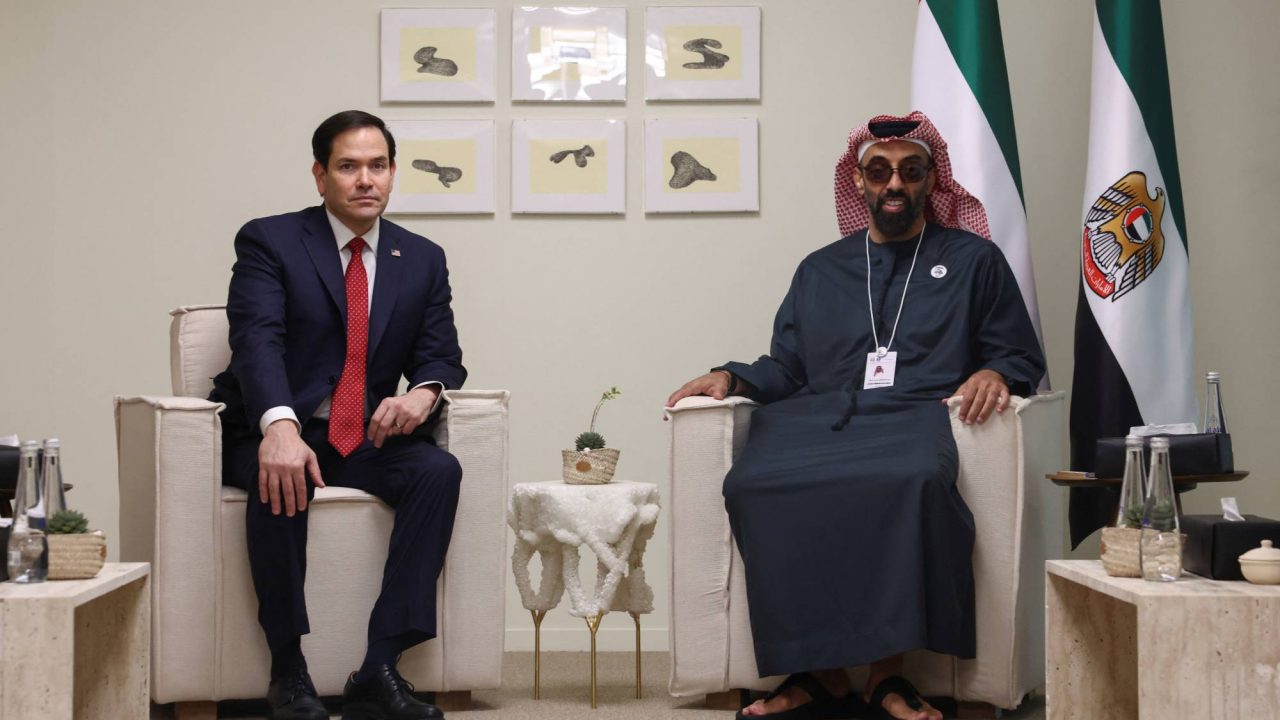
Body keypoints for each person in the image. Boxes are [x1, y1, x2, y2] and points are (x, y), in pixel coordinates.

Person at [667, 111, 1045, 720]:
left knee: (910, 482)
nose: (894, 184)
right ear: (860, 182)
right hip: (814, 420)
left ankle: (886, 677)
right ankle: (817, 675)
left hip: (913, 418)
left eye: (910, 171)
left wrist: (994, 371)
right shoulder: (821, 269)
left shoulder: (974, 260)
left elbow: (1015, 351)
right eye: (879, 171)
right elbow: (787, 367)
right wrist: (732, 377)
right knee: (754, 482)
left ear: (930, 180)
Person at [209, 110, 466, 720]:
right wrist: (279, 425)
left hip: (361, 431)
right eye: (348, 167)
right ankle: (287, 668)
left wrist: (422, 394)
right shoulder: (270, 240)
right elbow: (258, 339)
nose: (365, 180)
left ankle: (380, 665)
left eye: (377, 166)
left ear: (394, 172)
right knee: (283, 474)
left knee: (438, 471)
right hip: (274, 426)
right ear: (320, 175)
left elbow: (441, 356)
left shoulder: (422, 258)